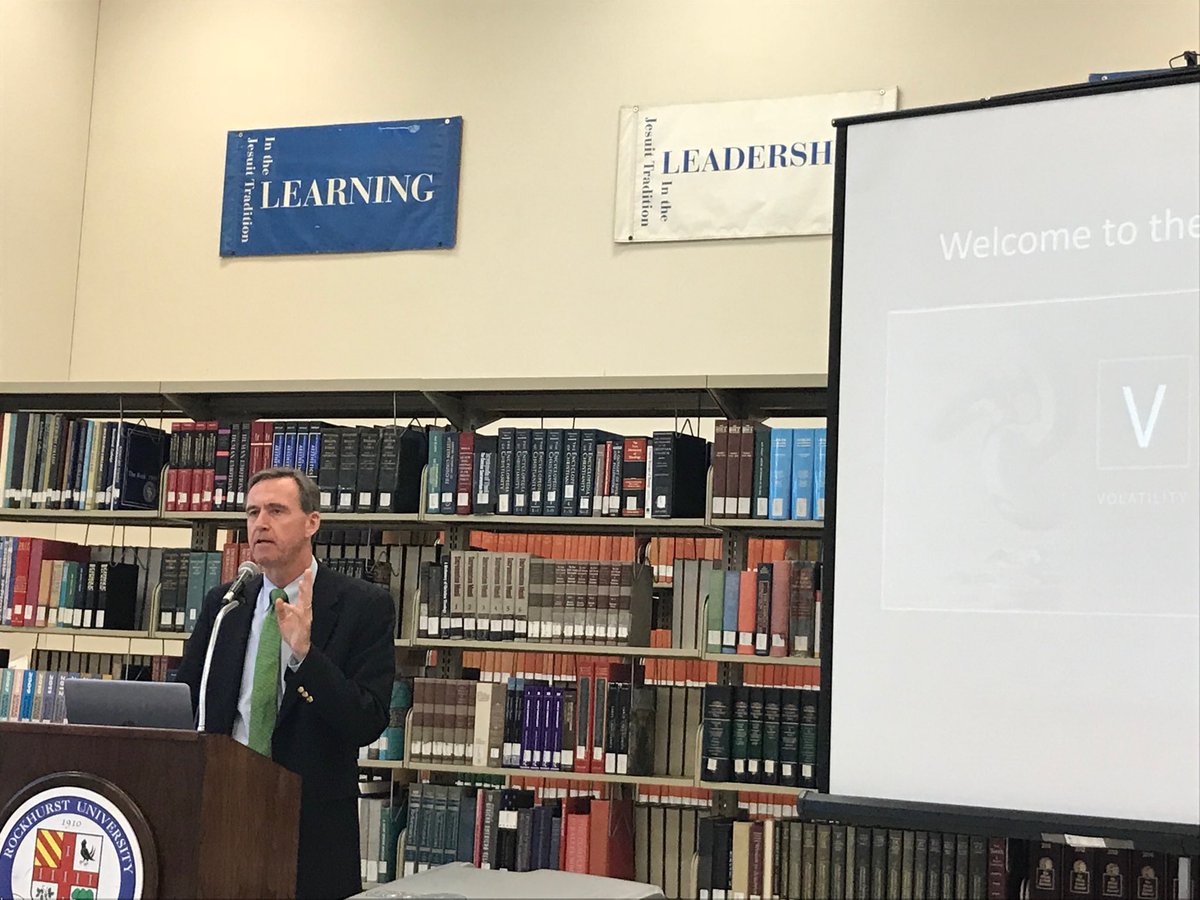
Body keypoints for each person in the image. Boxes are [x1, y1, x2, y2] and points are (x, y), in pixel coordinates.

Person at [176, 466, 395, 899]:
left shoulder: (362, 606)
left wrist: (305, 657)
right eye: (252, 512)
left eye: (276, 510)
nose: (260, 523)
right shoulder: (225, 605)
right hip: (222, 811)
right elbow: (186, 702)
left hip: (309, 824)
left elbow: (366, 720)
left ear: (312, 522)